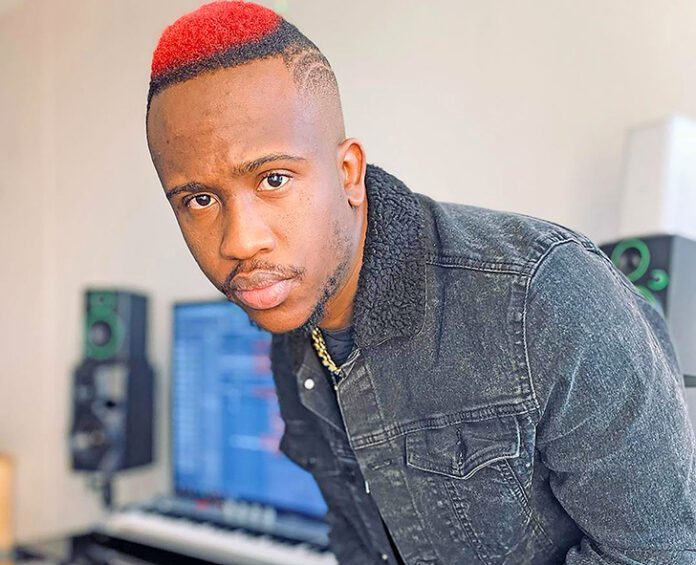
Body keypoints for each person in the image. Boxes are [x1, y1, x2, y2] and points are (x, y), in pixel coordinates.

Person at [145, 2, 696, 563]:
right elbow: (356, 538)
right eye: (200, 199)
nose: (240, 242)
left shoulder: (545, 296)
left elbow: (662, 554)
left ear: (348, 173)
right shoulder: (294, 331)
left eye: (274, 179)